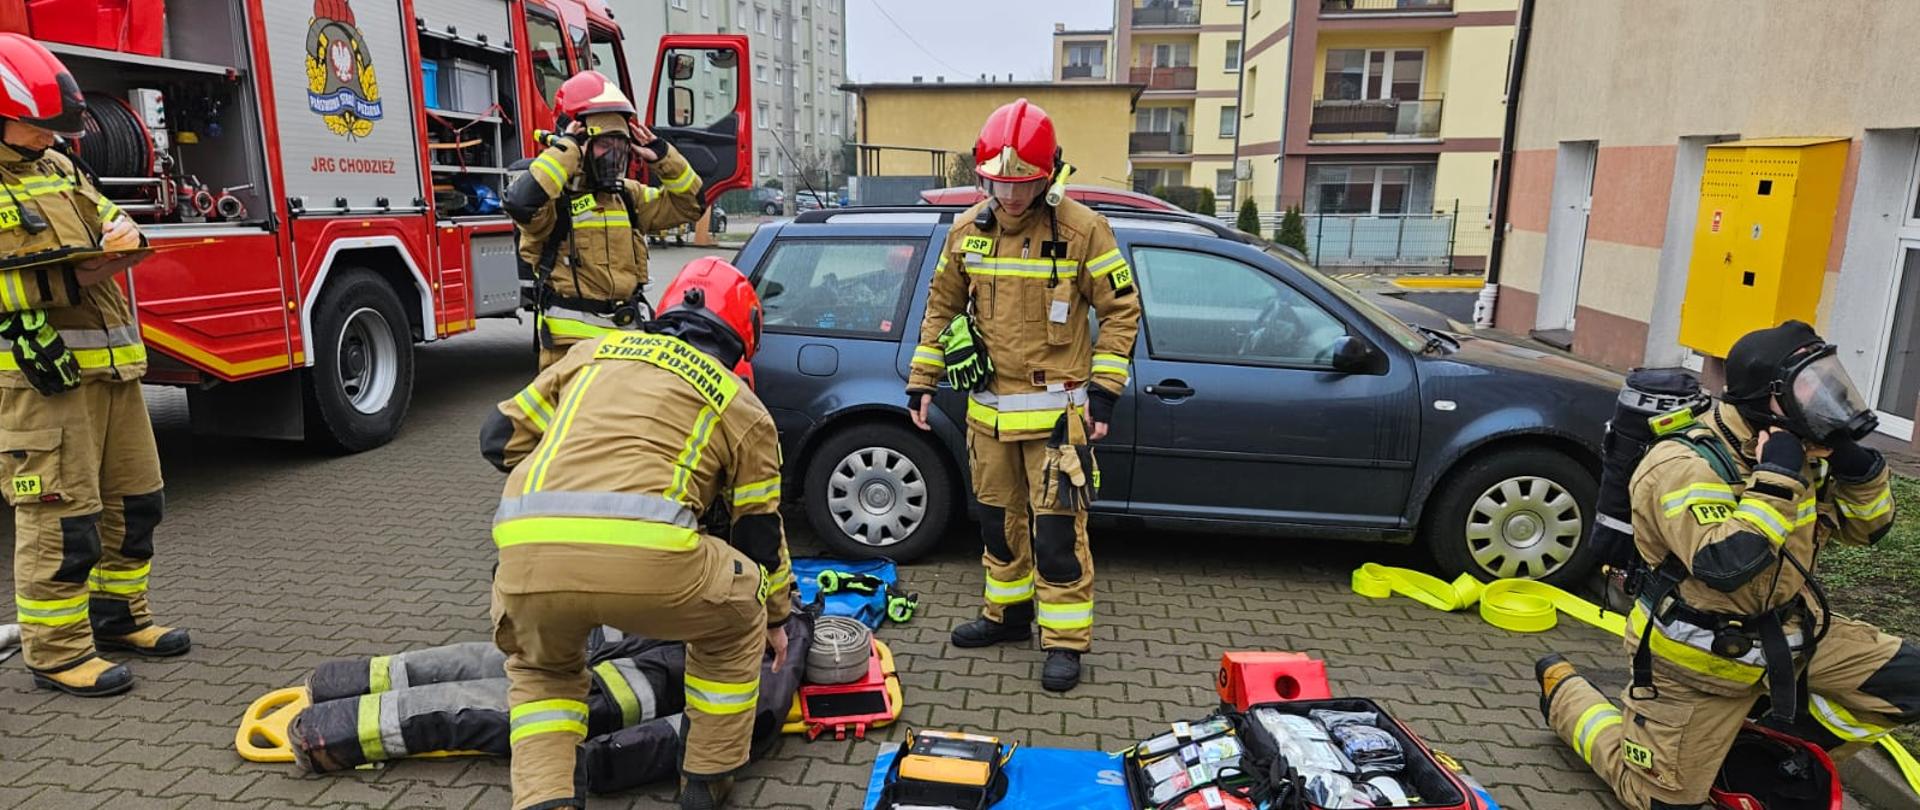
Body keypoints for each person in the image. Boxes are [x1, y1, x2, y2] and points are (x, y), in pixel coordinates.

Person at [1538, 320, 1920, 809]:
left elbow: (1869, 530)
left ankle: (1758, 748)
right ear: (1765, 399)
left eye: (1827, 380)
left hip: (1791, 633)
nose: (1825, 397)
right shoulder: (1683, 464)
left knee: (1908, 684)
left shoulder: (1801, 450)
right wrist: (1776, 478)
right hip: (1702, 662)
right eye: (1809, 387)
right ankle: (1569, 698)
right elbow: (1726, 563)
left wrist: (1860, 471)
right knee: (1658, 801)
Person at [480, 257, 792, 810]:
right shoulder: (740, 403)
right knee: (742, 609)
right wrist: (776, 617)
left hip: (526, 556)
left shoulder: (589, 354)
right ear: (744, 335)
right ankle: (706, 780)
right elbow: (758, 536)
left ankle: (545, 799)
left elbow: (497, 438)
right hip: (654, 564)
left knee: (543, 673)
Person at [904, 98, 1142, 693]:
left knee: (1058, 536)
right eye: (997, 184)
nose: (1009, 197)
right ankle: (1007, 617)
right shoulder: (966, 231)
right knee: (996, 525)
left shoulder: (1084, 230)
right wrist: (923, 380)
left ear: (1049, 174)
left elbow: (1121, 310)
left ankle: (1064, 642)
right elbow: (940, 309)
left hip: (1059, 419)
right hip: (987, 418)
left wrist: (1106, 393)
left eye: (1023, 184)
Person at [0, 33, 188, 697]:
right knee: (60, 517)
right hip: (36, 382)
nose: (50, 135)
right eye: (37, 122)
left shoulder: (57, 165)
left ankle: (119, 618)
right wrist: (70, 275)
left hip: (111, 370)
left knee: (135, 502)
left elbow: (113, 220)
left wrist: (125, 238)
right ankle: (56, 652)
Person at [505, 70, 707, 370]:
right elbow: (520, 204)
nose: (615, 155)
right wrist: (567, 149)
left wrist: (664, 157)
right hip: (570, 357)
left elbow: (692, 204)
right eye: (604, 144)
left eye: (621, 145)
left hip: (628, 347)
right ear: (578, 142)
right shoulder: (553, 199)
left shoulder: (627, 197)